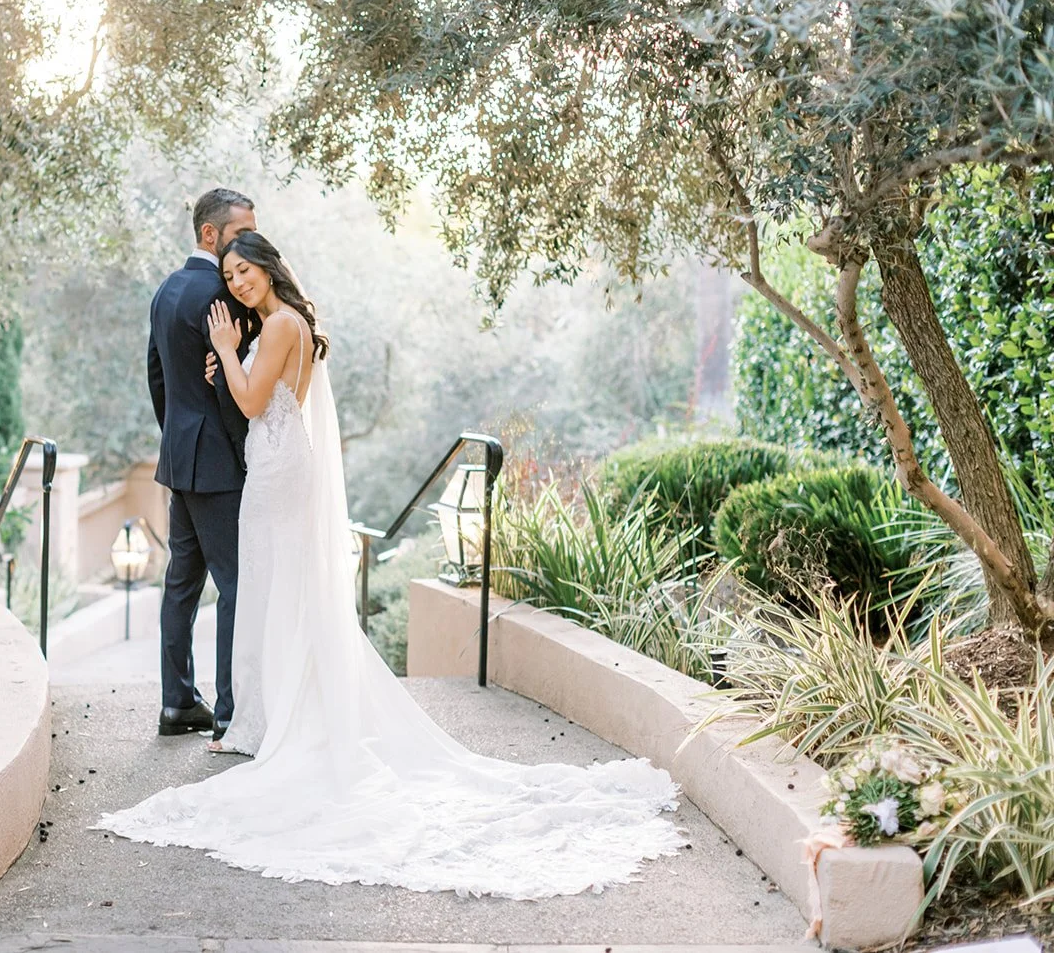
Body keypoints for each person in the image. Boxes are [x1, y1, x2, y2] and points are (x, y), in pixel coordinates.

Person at [100, 230, 686, 901]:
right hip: (275, 464)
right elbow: (254, 395)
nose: (236, 284)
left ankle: (276, 720)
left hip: (276, 471)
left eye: (244, 272)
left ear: (267, 269)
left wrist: (230, 357)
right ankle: (265, 719)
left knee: (274, 589)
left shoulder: (283, 322)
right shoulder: (284, 325)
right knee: (272, 590)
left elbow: (256, 403)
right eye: (229, 276)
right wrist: (232, 366)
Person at [146, 188, 257, 742]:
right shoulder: (227, 293)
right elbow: (235, 386)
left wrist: (177, 438)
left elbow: (158, 379)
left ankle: (176, 703)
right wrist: (243, 449)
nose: (250, 246)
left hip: (179, 460)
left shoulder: (167, 290)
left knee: (181, 584)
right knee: (234, 584)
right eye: (240, 234)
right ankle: (230, 709)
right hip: (218, 465)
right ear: (211, 235)